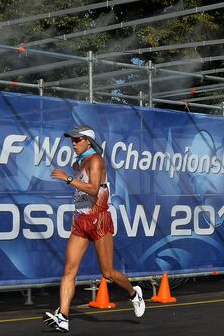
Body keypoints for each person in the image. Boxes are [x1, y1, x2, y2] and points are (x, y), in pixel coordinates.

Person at [43, 124, 145, 333]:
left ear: (88, 141)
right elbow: (83, 193)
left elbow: (93, 188)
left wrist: (68, 179)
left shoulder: (96, 160)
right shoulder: (77, 163)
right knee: (69, 270)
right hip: (81, 220)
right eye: (72, 139)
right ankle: (63, 316)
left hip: (99, 220)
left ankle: (134, 293)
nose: (73, 143)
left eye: (77, 139)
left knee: (107, 273)